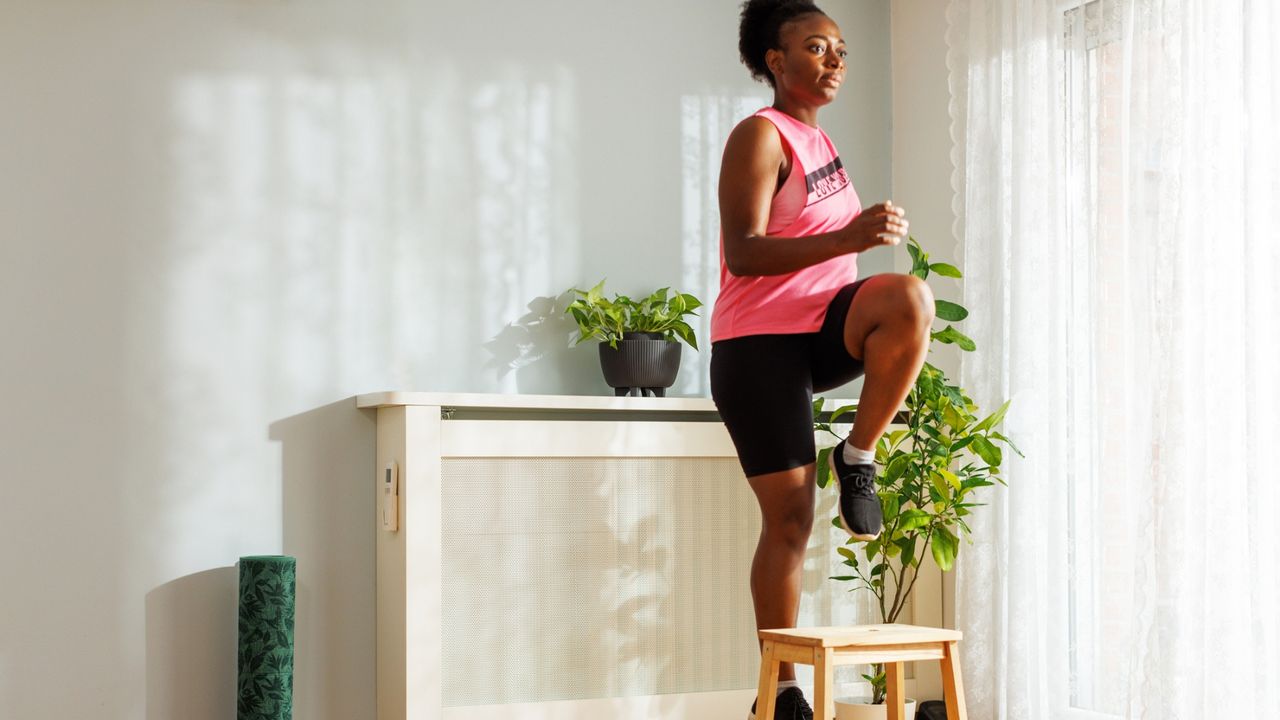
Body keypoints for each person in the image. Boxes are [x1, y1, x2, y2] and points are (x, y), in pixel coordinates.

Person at [708, 1, 936, 717]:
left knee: (906, 297)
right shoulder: (760, 135)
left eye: (840, 49)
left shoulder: (822, 143)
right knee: (791, 524)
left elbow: (840, 264)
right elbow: (743, 252)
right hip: (756, 348)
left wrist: (866, 239)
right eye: (816, 47)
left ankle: (858, 455)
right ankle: (777, 691)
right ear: (777, 62)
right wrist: (848, 240)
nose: (835, 59)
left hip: (819, 329)